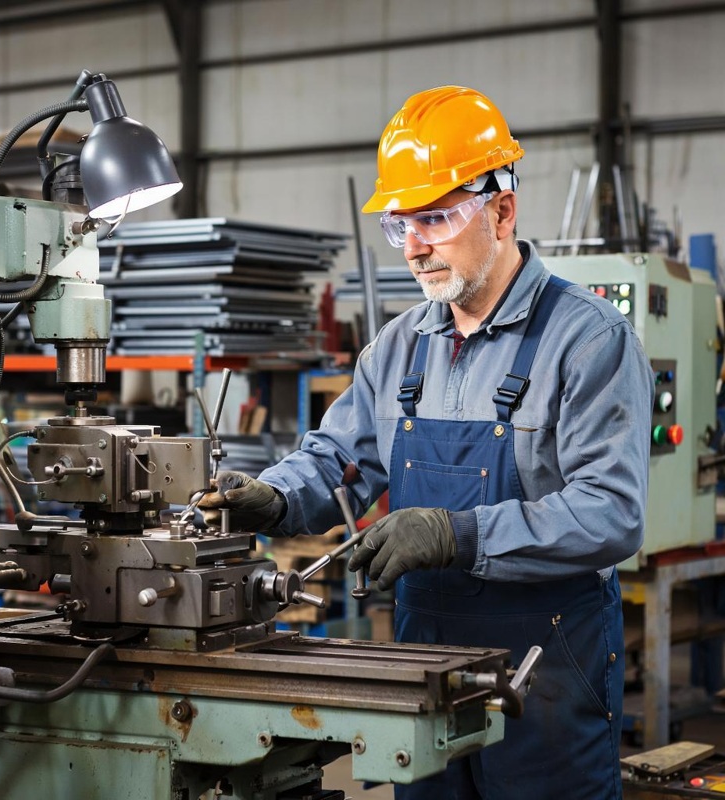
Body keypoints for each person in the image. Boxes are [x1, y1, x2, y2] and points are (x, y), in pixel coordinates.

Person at [199, 85, 654, 799]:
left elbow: (611, 513)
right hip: (421, 672)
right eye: (398, 225)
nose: (413, 247)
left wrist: (458, 533)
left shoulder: (590, 341)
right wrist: (275, 496)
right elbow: (339, 460)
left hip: (547, 676)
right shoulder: (397, 349)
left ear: (502, 208)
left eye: (435, 218)